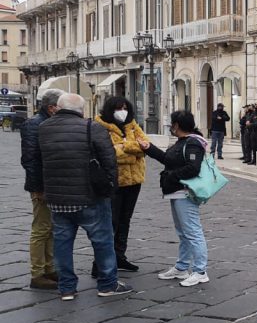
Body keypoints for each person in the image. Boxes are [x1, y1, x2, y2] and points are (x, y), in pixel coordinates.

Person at [38, 93, 134, 301]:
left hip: (58, 198)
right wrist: (110, 189)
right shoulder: (92, 127)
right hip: (90, 196)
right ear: (81, 110)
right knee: (102, 241)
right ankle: (107, 284)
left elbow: (38, 161)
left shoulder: (44, 128)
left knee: (62, 244)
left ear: (59, 108)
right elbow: (109, 161)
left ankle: (66, 288)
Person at [140, 110, 210, 287]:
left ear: (177, 125)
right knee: (183, 232)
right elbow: (167, 159)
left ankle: (200, 271)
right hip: (176, 192)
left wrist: (171, 177)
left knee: (193, 232)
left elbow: (193, 168)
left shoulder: (193, 143)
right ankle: (182, 267)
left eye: (172, 123)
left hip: (185, 192)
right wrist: (149, 148)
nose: (171, 126)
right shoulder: (181, 142)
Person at [93, 96, 148, 274]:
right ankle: (101, 262)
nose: (122, 111)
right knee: (110, 222)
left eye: (125, 107)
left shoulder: (132, 124)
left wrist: (126, 146)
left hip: (134, 181)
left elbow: (145, 146)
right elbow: (109, 153)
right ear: (110, 109)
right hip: (113, 181)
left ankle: (119, 256)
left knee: (125, 220)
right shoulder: (99, 126)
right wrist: (133, 150)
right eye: (118, 108)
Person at [20, 88, 64, 290]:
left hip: (51, 183)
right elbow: (30, 159)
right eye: (60, 105)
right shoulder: (34, 124)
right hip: (41, 185)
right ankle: (37, 273)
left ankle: (49, 268)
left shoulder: (47, 122)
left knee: (50, 228)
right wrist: (38, 187)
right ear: (51, 107)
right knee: (41, 229)